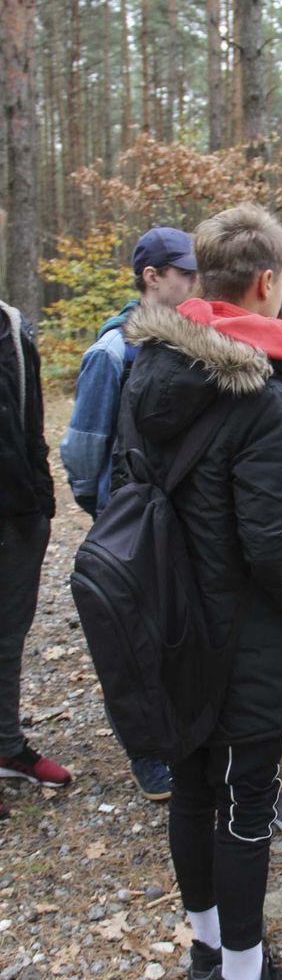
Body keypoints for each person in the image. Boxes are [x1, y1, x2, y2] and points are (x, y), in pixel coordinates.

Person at [116, 203, 282, 980]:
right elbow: (276, 548)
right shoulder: (258, 395)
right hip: (242, 633)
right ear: (265, 282)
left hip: (170, 618)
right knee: (247, 798)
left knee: (191, 786)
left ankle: (208, 948)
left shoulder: (147, 364)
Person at [60, 226, 197, 802]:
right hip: (130, 520)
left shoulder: (189, 339)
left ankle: (183, 731)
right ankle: (147, 751)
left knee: (175, 630)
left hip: (177, 517)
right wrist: (111, 514)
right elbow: (82, 447)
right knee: (131, 637)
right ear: (152, 277)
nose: (196, 282)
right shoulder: (113, 351)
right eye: (186, 273)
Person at [0, 302, 71, 819]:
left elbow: (30, 424)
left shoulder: (10, 325)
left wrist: (41, 505)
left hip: (16, 513)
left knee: (8, 634)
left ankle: (6, 744)